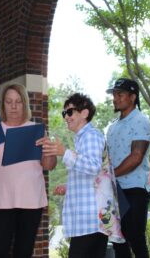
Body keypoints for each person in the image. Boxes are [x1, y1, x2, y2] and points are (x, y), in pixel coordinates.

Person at [38, 93, 123, 258]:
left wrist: (64, 152)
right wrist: (68, 187)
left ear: (84, 113)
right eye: (64, 114)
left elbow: (92, 166)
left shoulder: (90, 136)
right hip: (90, 220)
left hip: (91, 219)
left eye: (69, 112)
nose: (66, 117)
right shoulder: (83, 138)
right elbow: (93, 175)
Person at [0, 83, 57, 258]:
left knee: (23, 252)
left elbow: (49, 165)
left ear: (24, 104)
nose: (13, 106)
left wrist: (48, 148)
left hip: (31, 200)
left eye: (18, 102)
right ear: (3, 104)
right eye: (9, 101)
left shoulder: (36, 130)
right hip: (1, 198)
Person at [105, 78, 150, 258]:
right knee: (118, 241)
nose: (115, 98)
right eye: (114, 95)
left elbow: (136, 157)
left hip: (135, 189)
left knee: (135, 237)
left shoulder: (141, 121)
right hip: (114, 189)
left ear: (133, 97)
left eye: (120, 94)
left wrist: (111, 174)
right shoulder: (112, 127)